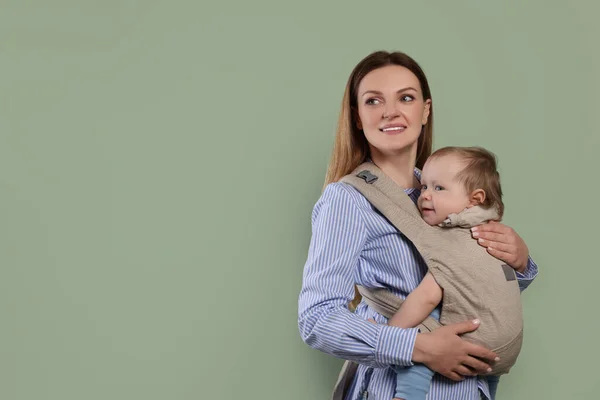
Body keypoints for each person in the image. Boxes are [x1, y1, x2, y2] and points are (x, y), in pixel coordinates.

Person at [297, 50, 538, 400]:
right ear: (358, 118)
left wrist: (519, 263)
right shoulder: (348, 199)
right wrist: (418, 347)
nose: (390, 111)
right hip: (396, 388)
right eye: (373, 100)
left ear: (425, 110)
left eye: (405, 98)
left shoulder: (449, 189)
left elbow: (469, 286)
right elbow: (317, 319)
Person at [381, 145, 518, 400]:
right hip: (503, 346)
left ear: (474, 199)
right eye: (424, 187)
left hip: (476, 335)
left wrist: (388, 333)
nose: (425, 196)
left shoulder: (452, 241)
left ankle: (408, 395)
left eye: (438, 188)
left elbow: (426, 296)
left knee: (428, 327)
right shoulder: (491, 230)